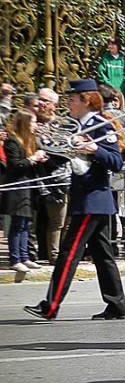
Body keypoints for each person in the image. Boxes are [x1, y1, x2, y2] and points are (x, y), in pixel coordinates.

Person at [24, 79, 125, 321]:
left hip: (94, 198)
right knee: (103, 256)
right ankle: (117, 305)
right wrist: (48, 143)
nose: (67, 103)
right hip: (85, 197)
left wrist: (94, 149)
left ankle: (51, 305)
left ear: (86, 100)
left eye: (72, 99)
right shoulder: (75, 126)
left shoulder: (101, 125)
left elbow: (117, 162)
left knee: (69, 253)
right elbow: (65, 158)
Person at [2, 110, 47, 272]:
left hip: (28, 187)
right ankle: (15, 259)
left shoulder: (29, 141)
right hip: (17, 187)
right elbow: (15, 166)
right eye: (33, 122)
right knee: (17, 224)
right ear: (25, 123)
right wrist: (33, 158)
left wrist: (39, 157)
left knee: (26, 224)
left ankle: (24, 256)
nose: (36, 125)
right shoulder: (12, 141)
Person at [32, 87, 69, 264]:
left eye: (45, 101)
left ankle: (64, 254)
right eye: (40, 100)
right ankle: (52, 256)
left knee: (66, 220)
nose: (41, 103)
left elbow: (67, 149)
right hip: (42, 178)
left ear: (54, 104)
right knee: (54, 221)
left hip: (64, 177)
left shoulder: (62, 123)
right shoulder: (31, 122)